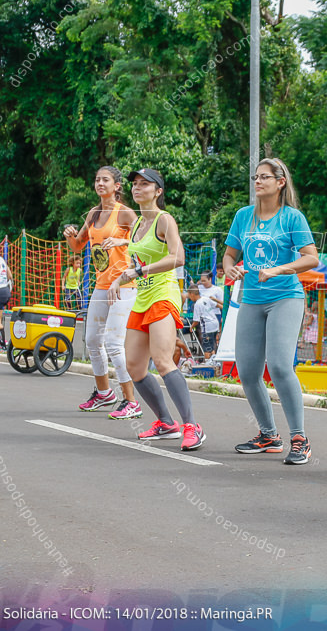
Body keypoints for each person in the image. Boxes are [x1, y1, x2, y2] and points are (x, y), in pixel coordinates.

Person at [225, 158, 319, 465]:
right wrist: (231, 269)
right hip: (252, 299)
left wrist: (278, 270)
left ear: (280, 182)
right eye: (255, 177)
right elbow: (229, 255)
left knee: (279, 366)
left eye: (264, 177)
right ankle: (268, 435)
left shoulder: (292, 217)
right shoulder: (243, 216)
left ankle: (299, 438)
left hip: (286, 297)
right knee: (248, 371)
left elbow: (311, 259)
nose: (257, 182)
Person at [109, 168, 204, 451]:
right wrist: (122, 275)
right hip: (142, 297)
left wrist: (137, 271)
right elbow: (137, 260)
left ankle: (192, 426)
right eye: (135, 184)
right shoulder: (137, 223)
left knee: (163, 360)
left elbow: (178, 257)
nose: (138, 189)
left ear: (158, 191)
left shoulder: (165, 220)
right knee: (134, 366)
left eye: (145, 185)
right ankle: (165, 422)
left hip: (163, 294)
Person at [63, 166, 140, 420]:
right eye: (96, 179)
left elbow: (148, 239)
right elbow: (77, 246)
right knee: (92, 340)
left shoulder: (125, 213)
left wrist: (123, 241)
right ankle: (104, 393)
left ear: (117, 186)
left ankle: (131, 401)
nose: (99, 183)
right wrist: (70, 237)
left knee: (114, 344)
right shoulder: (94, 214)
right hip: (101, 284)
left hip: (124, 285)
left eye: (105, 180)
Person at [188, 283, 220, 362]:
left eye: (189, 295)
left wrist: (191, 327)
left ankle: (207, 365)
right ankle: (214, 363)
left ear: (192, 294)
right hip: (215, 324)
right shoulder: (205, 298)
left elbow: (196, 320)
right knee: (212, 345)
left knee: (206, 348)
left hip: (207, 326)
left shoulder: (197, 304)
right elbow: (217, 305)